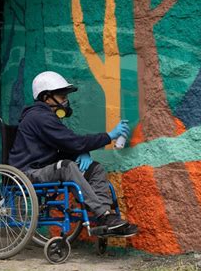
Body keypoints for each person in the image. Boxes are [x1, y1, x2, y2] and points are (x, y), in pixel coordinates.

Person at [8, 71, 137, 236]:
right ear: (47, 97)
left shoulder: (47, 117)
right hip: (28, 173)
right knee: (67, 167)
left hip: (44, 169)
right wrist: (109, 136)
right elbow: (72, 142)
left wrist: (79, 153)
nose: (65, 101)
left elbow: (64, 146)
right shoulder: (39, 118)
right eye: (62, 97)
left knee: (94, 168)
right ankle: (103, 215)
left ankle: (105, 219)